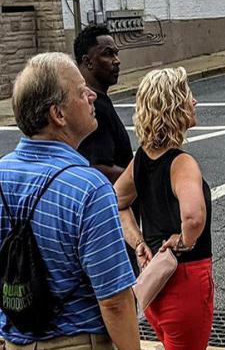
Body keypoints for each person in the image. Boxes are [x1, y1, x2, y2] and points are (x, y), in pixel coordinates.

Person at [0, 53, 139, 349]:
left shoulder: (2, 174)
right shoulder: (90, 188)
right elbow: (114, 301)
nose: (91, 95)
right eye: (80, 92)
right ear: (58, 115)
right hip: (79, 340)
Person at [114, 68, 213, 350]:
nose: (194, 102)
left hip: (154, 282)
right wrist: (183, 241)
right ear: (174, 105)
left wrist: (138, 243)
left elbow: (117, 201)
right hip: (185, 280)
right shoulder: (181, 163)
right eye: (188, 95)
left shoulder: (142, 158)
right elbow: (193, 217)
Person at [74, 25, 132, 184]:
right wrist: (139, 179)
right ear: (87, 61)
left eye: (116, 53)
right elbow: (97, 168)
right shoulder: (93, 107)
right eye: (108, 54)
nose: (117, 61)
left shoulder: (97, 101)